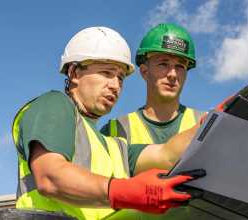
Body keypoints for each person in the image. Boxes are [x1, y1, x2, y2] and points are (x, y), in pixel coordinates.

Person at [12, 26, 205, 220]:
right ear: (75, 73)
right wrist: (125, 191)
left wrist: (215, 121)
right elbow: (50, 177)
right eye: (106, 73)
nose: (115, 85)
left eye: (120, 78)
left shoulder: (115, 147)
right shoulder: (55, 104)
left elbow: (168, 154)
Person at [100, 23, 205, 219]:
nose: (172, 74)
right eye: (163, 64)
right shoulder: (115, 130)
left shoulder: (205, 124)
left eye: (180, 66)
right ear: (144, 71)